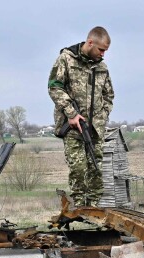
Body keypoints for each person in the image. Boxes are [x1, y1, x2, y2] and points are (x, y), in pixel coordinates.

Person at [48, 26, 115, 206]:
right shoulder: (66, 59)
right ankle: (79, 205)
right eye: (101, 50)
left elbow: (109, 95)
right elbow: (54, 86)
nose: (103, 54)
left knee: (95, 168)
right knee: (78, 169)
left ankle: (93, 207)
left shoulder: (101, 67)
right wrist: (71, 113)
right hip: (72, 127)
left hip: (95, 129)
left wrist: (103, 116)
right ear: (90, 42)